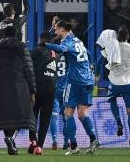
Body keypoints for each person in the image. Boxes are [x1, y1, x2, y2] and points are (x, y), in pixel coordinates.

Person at [45, 20, 100, 155]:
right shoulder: (78, 40)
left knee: (68, 113)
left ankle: (74, 147)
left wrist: (45, 45)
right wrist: (91, 71)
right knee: (82, 114)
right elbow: (89, 55)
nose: (56, 32)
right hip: (88, 80)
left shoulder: (66, 42)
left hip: (75, 81)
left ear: (63, 30)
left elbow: (62, 49)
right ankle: (93, 139)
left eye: (56, 29)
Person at [0, 25, 36, 155]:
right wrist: (32, 89)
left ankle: (11, 144)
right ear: (16, 34)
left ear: (3, 35)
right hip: (19, 86)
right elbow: (29, 69)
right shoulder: (22, 48)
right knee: (22, 115)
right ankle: (11, 138)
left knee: (6, 116)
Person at [105, 20, 130, 149]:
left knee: (112, 100)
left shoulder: (111, 48)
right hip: (129, 84)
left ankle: (118, 123)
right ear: (128, 37)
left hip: (115, 84)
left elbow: (100, 59)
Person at [28, 32, 57, 155]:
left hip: (37, 87)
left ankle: (33, 140)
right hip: (51, 88)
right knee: (45, 119)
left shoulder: (36, 51)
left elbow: (27, 63)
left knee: (32, 115)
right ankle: (39, 147)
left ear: (40, 39)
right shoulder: (55, 53)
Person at [47, 16, 69, 150]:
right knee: (67, 115)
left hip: (54, 88)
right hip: (66, 88)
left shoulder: (51, 55)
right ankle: (67, 141)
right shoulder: (67, 52)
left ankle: (55, 140)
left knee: (53, 115)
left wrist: (53, 27)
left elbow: (45, 41)